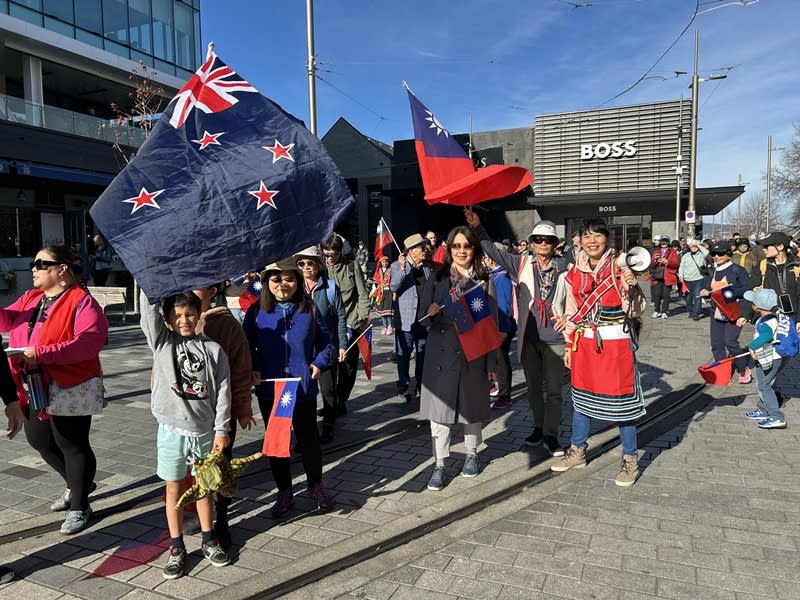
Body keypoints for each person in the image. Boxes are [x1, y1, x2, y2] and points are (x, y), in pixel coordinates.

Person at [0, 246, 108, 535]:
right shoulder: (32, 297)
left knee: (71, 443)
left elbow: (90, 342)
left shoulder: (81, 301)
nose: (33, 268)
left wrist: (43, 352)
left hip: (68, 383)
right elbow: (6, 320)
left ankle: (80, 505)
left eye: (40, 263)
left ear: (61, 269)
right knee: (39, 440)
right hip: (33, 382)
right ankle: (79, 484)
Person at [141, 290, 231, 579]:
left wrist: (222, 430)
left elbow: (224, 394)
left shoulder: (214, 350)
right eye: (177, 315)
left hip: (204, 432)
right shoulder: (162, 344)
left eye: (189, 314)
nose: (184, 320)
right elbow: (147, 311)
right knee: (173, 490)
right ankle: (177, 546)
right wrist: (150, 281)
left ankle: (209, 539)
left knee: (205, 488)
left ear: (199, 313)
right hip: (170, 432)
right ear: (166, 319)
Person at [550, 218, 646, 487]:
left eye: (598, 236)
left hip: (616, 346)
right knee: (581, 400)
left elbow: (636, 310)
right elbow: (570, 312)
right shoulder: (572, 274)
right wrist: (569, 344)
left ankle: (630, 459)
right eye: (587, 236)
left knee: (622, 406)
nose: (592, 241)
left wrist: (633, 285)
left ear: (607, 239)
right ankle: (577, 451)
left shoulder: (619, 268)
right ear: (579, 239)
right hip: (584, 344)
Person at [467, 210, 569, 455]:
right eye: (538, 240)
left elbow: (583, 293)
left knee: (554, 391)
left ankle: (551, 434)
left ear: (555, 244)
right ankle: (538, 426)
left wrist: (572, 318)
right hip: (529, 338)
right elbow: (493, 250)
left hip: (556, 339)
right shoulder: (522, 263)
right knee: (533, 388)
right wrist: (478, 227)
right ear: (532, 243)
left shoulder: (566, 266)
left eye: (548, 240)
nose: (542, 244)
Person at [243, 260, 335, 518]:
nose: (283, 284)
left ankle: (315, 484)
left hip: (301, 387)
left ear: (297, 280)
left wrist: (318, 363)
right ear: (267, 283)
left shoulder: (310, 309)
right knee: (278, 442)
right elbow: (244, 346)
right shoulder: (256, 312)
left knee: (308, 440)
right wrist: (252, 368)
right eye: (276, 279)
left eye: (289, 279)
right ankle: (284, 490)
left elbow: (326, 341)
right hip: (271, 389)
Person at [418, 226, 497, 491]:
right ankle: (439, 463)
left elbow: (492, 327)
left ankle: (473, 453)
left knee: (470, 409)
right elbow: (420, 318)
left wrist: (492, 364)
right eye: (456, 246)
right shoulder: (438, 277)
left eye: (467, 246)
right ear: (449, 249)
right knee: (438, 413)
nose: (461, 251)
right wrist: (429, 313)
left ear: (474, 249)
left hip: (472, 354)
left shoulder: (484, 280)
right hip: (440, 353)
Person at [192, 282, 256, 549]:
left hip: (219, 413)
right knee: (190, 470)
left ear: (212, 291)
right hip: (186, 416)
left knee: (219, 469)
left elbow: (241, 369)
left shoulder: (226, 324)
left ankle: (222, 518)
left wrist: (242, 407)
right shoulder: (174, 320)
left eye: (197, 286)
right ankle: (198, 514)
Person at [294, 246, 346, 444]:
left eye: (310, 263)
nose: (306, 267)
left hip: (326, 347)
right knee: (304, 391)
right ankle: (304, 432)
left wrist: (342, 345)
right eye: (302, 264)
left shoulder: (330, 287)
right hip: (303, 350)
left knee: (328, 390)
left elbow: (340, 316)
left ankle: (329, 425)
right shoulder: (294, 289)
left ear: (318, 265)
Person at [319, 234, 371, 417]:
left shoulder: (352, 267)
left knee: (347, 368)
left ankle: (342, 399)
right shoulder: (320, 269)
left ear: (341, 251)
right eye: (326, 254)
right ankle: (330, 404)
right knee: (328, 368)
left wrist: (361, 318)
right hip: (326, 327)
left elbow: (362, 295)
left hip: (350, 323)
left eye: (334, 254)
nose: (330, 258)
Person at [698, 240, 752, 384]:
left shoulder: (738, 270)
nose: (716, 256)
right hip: (716, 311)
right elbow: (708, 288)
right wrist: (706, 292)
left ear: (728, 254)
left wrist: (728, 290)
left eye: (720, 254)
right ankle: (722, 371)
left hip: (734, 311)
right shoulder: (711, 270)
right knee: (716, 344)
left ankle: (743, 368)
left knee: (730, 342)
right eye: (714, 254)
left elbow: (747, 290)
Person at [391, 234, 434, 401]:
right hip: (406, 320)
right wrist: (402, 270)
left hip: (424, 320)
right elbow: (393, 286)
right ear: (410, 250)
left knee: (423, 356)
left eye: (425, 246)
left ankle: (421, 386)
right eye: (420, 247)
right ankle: (403, 386)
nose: (424, 250)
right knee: (403, 356)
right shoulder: (397, 266)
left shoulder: (427, 268)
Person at [737, 289, 787, 429]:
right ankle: (763, 410)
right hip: (765, 356)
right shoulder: (772, 316)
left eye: (753, 301)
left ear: (756, 306)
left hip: (770, 357)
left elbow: (766, 336)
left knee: (765, 385)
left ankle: (776, 416)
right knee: (763, 382)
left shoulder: (767, 321)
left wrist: (752, 347)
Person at [483, 249, 516, 409]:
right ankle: (493, 386)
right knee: (494, 359)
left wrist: (501, 329)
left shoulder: (502, 277)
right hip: (494, 325)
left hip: (501, 326)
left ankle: (505, 394)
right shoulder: (495, 275)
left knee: (501, 360)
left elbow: (503, 306)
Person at [678, 239, 709, 320]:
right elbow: (681, 267)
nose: (694, 247)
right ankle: (691, 311)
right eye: (692, 246)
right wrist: (681, 276)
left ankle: (696, 313)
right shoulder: (686, 255)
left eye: (696, 246)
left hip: (699, 279)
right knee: (688, 298)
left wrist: (697, 245)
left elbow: (707, 252)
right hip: (687, 280)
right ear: (690, 247)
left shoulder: (702, 254)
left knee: (697, 296)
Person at [648, 236, 679, 319]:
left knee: (666, 295)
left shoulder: (672, 252)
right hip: (657, 276)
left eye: (665, 242)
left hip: (668, 276)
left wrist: (667, 262)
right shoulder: (656, 251)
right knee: (656, 295)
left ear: (668, 243)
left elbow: (675, 264)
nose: (663, 243)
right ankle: (657, 310)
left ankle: (664, 311)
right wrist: (655, 260)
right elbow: (651, 265)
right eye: (662, 242)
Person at [372, 255, 394, 335]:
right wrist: (374, 291)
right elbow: (376, 282)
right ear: (381, 263)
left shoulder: (391, 270)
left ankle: (390, 326)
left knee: (388, 312)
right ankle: (384, 327)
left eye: (386, 261)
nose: (385, 263)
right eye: (383, 262)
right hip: (380, 293)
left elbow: (394, 282)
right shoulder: (379, 270)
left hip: (389, 292)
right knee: (382, 312)